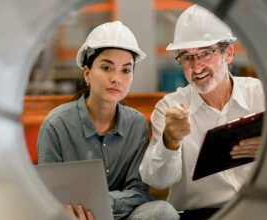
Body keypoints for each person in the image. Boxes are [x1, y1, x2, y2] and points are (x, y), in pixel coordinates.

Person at [37, 21, 179, 220]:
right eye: (106, 67)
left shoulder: (136, 124)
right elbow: (48, 195)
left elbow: (139, 192)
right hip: (76, 217)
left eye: (126, 70)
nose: (116, 79)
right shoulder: (56, 126)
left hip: (125, 216)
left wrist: (102, 202)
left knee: (164, 212)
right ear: (87, 73)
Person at [139, 4, 265, 219]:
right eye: (187, 57)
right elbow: (158, 180)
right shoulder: (170, 107)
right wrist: (170, 141)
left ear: (229, 54)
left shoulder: (260, 96)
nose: (196, 68)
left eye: (205, 53)